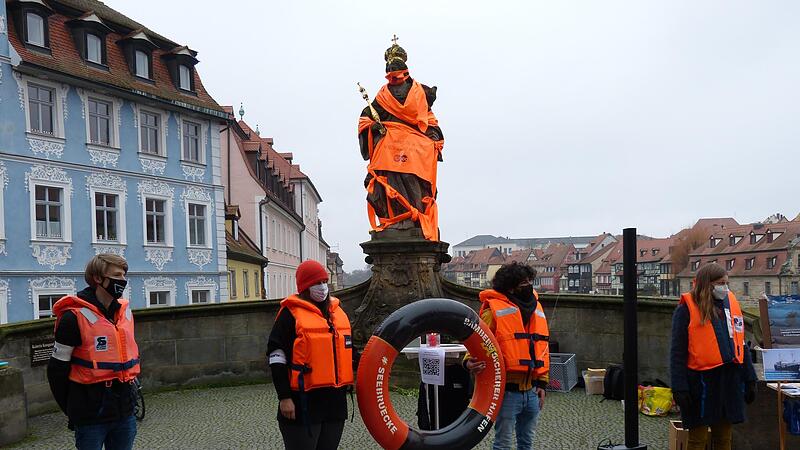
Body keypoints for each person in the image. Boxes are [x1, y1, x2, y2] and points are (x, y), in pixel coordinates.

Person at [47, 254, 140, 450]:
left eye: (124, 275)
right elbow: (56, 370)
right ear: (98, 278)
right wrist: (72, 409)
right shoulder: (73, 318)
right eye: (117, 275)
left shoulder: (124, 313)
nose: (122, 280)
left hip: (124, 411)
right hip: (91, 415)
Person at [357, 38, 445, 241]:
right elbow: (366, 118)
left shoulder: (419, 92)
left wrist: (434, 140)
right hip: (390, 141)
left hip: (415, 142)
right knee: (387, 162)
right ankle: (396, 218)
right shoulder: (382, 95)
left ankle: (414, 216)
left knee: (409, 165)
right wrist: (373, 126)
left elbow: (429, 121)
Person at [267, 260, 355, 450]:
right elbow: (276, 357)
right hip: (302, 403)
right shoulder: (289, 315)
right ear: (305, 287)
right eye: (316, 283)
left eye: (324, 281)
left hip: (335, 404)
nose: (322, 287)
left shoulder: (337, 313)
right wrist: (284, 397)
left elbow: (349, 352)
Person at [670, 262, 757, 450]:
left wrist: (750, 378)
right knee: (697, 439)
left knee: (724, 438)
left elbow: (740, 343)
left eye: (727, 283)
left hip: (729, 380)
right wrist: (679, 387)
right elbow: (677, 352)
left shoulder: (731, 304)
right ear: (708, 284)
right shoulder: (686, 309)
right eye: (720, 283)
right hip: (701, 383)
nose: (725, 288)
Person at [465, 261, 550, 450]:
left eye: (530, 281)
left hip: (532, 391)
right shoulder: (492, 312)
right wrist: (469, 363)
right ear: (510, 288)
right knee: (503, 444)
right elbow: (475, 343)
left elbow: (542, 348)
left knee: (526, 443)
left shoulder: (536, 309)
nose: (528, 286)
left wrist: (542, 383)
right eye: (523, 283)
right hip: (506, 393)